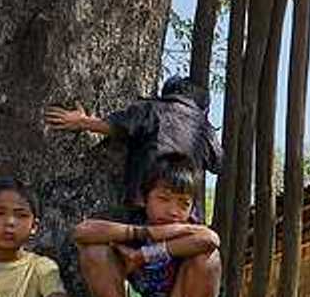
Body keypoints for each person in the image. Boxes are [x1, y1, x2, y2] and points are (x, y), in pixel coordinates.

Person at [71, 155, 221, 297]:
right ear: (143, 199)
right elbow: (82, 232)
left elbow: (210, 239)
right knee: (94, 251)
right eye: (164, 199)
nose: (173, 211)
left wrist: (144, 255)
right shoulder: (127, 220)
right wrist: (143, 233)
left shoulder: (190, 231)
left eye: (184, 204)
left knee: (209, 258)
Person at [43, 75, 221, 212]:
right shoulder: (206, 129)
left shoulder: (151, 108)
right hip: (183, 213)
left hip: (145, 206)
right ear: (202, 107)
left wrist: (83, 121)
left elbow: (117, 127)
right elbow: (219, 164)